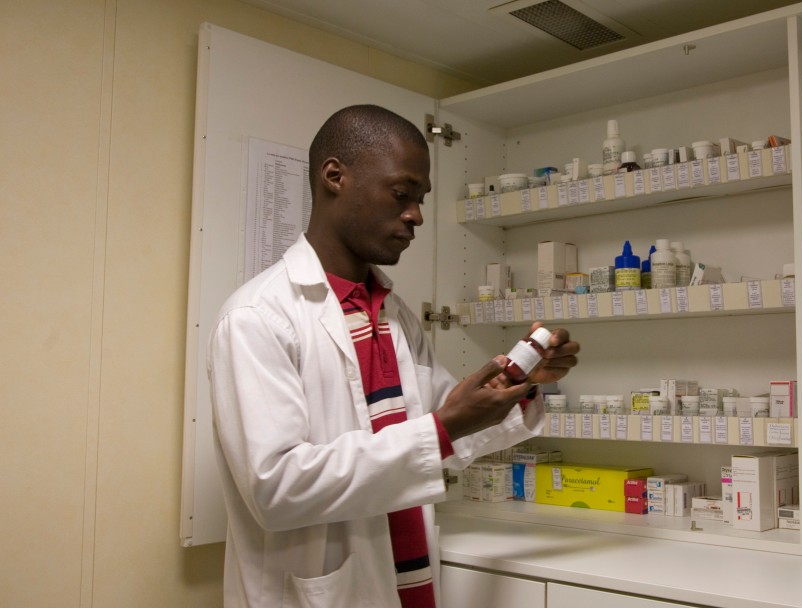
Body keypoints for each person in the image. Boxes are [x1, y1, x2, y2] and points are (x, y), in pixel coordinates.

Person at [207, 104, 579, 608]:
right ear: (334, 177)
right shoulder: (258, 317)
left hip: (409, 583)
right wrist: (443, 427)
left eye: (420, 200)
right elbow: (278, 489)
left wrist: (520, 383)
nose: (416, 216)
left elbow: (445, 424)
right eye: (402, 194)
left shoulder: (393, 314)